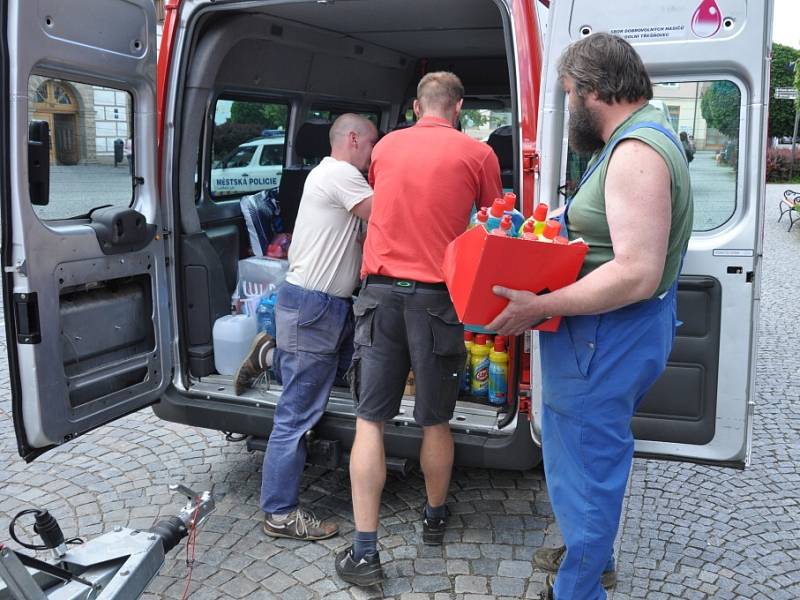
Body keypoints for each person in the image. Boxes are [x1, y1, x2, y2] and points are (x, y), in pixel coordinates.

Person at [486, 33, 693, 600]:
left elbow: (636, 273)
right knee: (590, 464)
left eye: (571, 92)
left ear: (595, 91)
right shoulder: (645, 134)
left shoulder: (635, 153)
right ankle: (589, 556)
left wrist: (542, 305)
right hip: (617, 335)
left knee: (587, 475)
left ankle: (579, 587)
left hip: (603, 339)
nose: (569, 102)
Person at [333, 71, 502, 586]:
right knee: (434, 421)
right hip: (437, 300)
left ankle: (365, 552)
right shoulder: (479, 155)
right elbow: (495, 226)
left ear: (414, 105)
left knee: (370, 420)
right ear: (459, 108)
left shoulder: (384, 148)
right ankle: (433, 518)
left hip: (379, 296)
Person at [233, 113, 378, 541]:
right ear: (353, 139)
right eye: (372, 144)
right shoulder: (340, 173)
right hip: (315, 306)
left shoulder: (334, 175)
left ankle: (270, 354)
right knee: (297, 415)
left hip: (326, 306)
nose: (374, 155)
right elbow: (388, 213)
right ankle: (279, 513)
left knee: (337, 374)